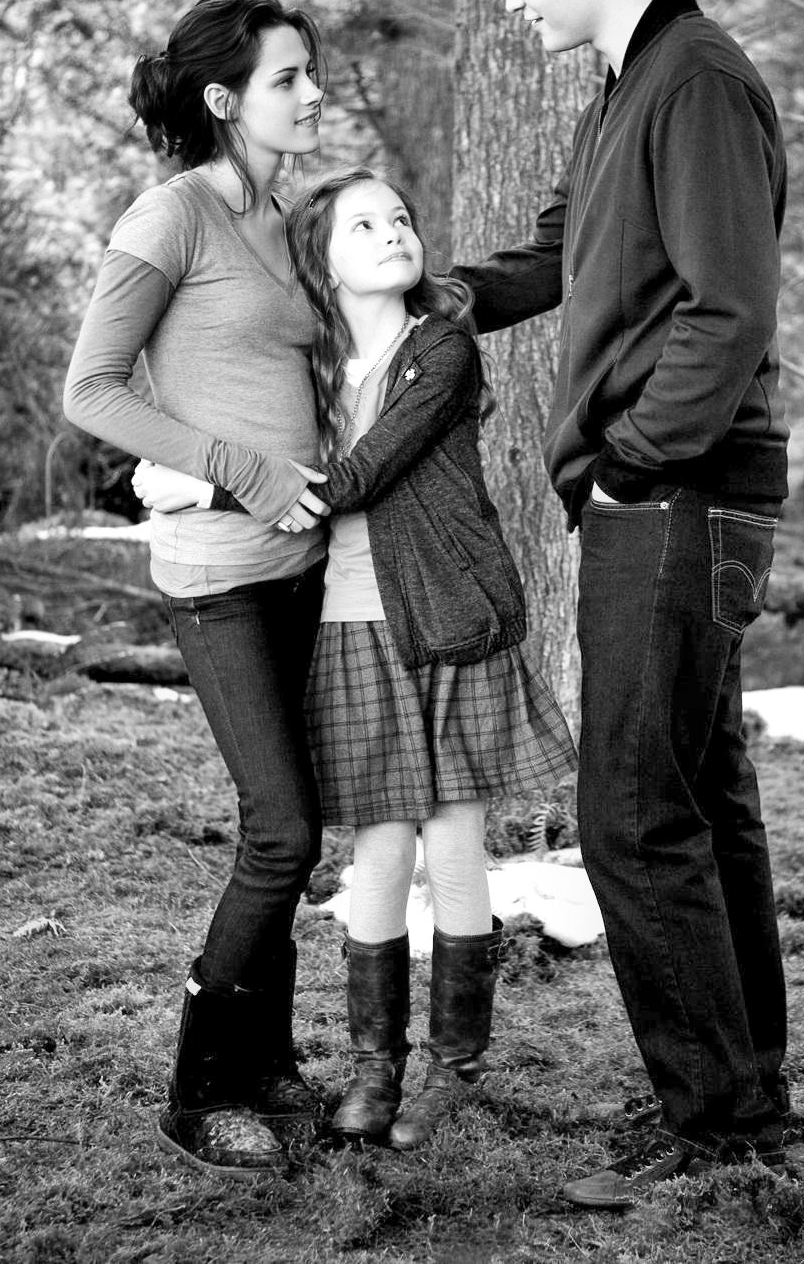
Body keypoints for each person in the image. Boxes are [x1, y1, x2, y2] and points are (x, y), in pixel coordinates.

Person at [450, 0, 791, 1207]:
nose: (509, 2)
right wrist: (436, 297)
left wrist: (631, 464)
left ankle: (711, 1123)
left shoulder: (694, 81)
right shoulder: (626, 86)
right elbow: (559, 252)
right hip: (676, 491)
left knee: (633, 813)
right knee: (701, 796)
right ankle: (746, 1097)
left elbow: (729, 308)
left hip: (680, 492)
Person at [134, 165, 578, 1151]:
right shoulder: (309, 368)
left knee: (453, 838)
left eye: (401, 219)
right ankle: (375, 1068)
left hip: (447, 618)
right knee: (379, 848)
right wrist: (177, 452)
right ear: (321, 262)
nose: (392, 234)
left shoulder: (439, 351)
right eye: (363, 226)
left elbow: (357, 476)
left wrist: (205, 487)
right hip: (348, 628)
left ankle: (453, 1065)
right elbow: (241, 422)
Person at [63, 0, 333, 1177]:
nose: (313, 93)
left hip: (308, 567)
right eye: (289, 78)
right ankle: (198, 1088)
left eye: (310, 73)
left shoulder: (288, 216)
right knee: (281, 832)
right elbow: (92, 388)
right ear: (225, 99)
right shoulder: (169, 216)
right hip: (218, 574)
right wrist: (235, 469)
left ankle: (266, 1062)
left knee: (292, 828)